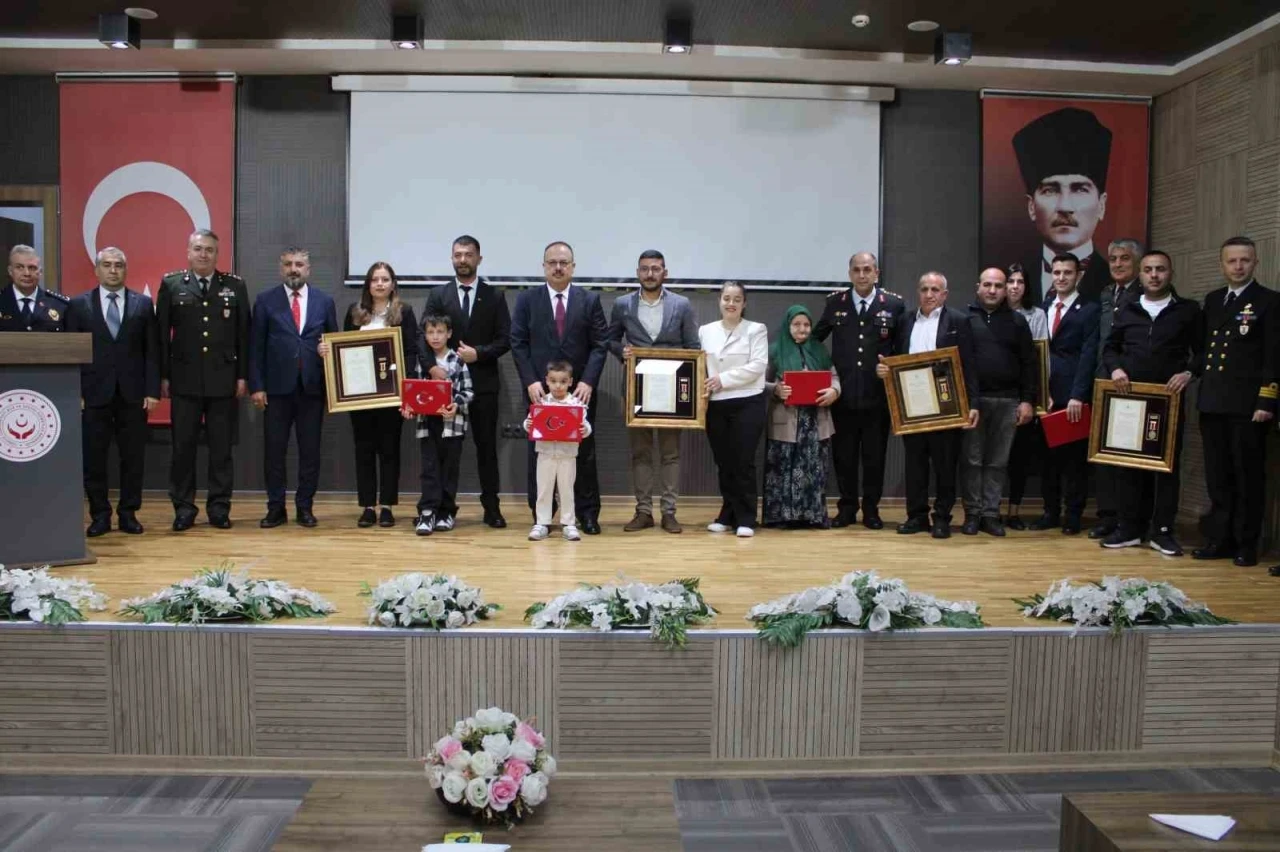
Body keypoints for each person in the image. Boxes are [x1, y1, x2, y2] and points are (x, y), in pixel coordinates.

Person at [1099, 251, 1201, 555]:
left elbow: (1203, 353)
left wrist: (1188, 373)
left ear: (1170, 273)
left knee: (1166, 468)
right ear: (1140, 275)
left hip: (1167, 401)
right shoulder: (1128, 310)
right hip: (1131, 400)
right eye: (1148, 270)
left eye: (1160, 269)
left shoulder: (1188, 311)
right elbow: (1110, 349)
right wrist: (1116, 368)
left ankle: (1163, 531)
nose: (1154, 275)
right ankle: (1129, 528)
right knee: (1129, 466)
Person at [510, 241, 609, 534]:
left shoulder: (589, 301)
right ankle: (542, 516)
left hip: (579, 394)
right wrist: (530, 380)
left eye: (563, 263)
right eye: (552, 262)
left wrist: (588, 381)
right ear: (543, 266)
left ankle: (587, 514)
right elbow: (518, 343)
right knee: (539, 456)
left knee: (584, 452)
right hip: (540, 392)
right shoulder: (527, 301)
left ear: (573, 267)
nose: (557, 267)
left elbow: (600, 345)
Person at [1193, 236, 1279, 568]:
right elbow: (1205, 351)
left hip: (1247, 407)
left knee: (1247, 477)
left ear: (1255, 263)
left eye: (1245, 260)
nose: (1238, 266)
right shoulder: (1214, 300)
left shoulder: (1269, 301)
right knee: (1218, 476)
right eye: (1232, 261)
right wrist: (1190, 372)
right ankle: (1221, 539)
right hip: (1213, 401)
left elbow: (1273, 357)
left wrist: (1266, 400)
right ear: (1222, 264)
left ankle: (1246, 543)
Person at [156, 229, 250, 531]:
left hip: (223, 382)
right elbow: (161, 337)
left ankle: (219, 508)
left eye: (209, 250)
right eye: (198, 249)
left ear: (217, 254)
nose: (203, 254)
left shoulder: (234, 286)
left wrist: (242, 376)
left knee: (221, 450)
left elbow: (243, 337)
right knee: (183, 449)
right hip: (184, 382)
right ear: (188, 252)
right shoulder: (171, 285)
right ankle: (184, 508)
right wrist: (164, 376)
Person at [64, 247, 160, 537]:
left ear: (125, 270)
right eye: (107, 265)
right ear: (97, 270)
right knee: (94, 458)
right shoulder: (78, 305)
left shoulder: (143, 304)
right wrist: (75, 391)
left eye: (119, 265)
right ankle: (100, 515)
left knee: (133, 458)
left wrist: (152, 391)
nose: (113, 270)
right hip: (92, 395)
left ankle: (129, 513)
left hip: (133, 395)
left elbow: (152, 353)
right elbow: (71, 353)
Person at [877, 272, 980, 539]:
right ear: (918, 292)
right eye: (924, 289)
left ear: (944, 294)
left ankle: (942, 518)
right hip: (911, 408)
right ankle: (917, 516)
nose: (929, 294)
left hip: (947, 405)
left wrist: (973, 403)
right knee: (915, 464)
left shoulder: (958, 321)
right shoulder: (905, 320)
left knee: (945, 465)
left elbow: (969, 365)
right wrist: (885, 369)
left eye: (935, 289)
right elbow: (895, 359)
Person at [318, 261, 418, 528]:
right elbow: (342, 351)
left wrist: (404, 389)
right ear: (368, 285)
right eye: (375, 280)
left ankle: (386, 506)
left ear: (393, 284)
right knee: (363, 450)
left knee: (389, 450)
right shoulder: (355, 312)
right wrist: (326, 352)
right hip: (359, 397)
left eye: (385, 279)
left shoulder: (404, 313)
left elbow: (410, 351)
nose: (380, 284)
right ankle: (367, 507)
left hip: (392, 396)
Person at [607, 249, 699, 533]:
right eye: (645, 269)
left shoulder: (682, 305)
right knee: (641, 453)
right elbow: (610, 339)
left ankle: (669, 513)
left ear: (664, 272)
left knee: (670, 454)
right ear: (638, 273)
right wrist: (621, 351)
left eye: (655, 268)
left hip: (673, 393)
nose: (650, 273)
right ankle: (643, 511)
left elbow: (693, 347)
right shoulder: (622, 304)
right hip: (637, 390)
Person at [424, 235, 511, 528]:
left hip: (484, 385)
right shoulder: (439, 294)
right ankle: (444, 509)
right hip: (446, 388)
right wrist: (430, 369)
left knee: (487, 450)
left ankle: (492, 508)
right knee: (446, 451)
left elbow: (505, 340)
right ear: (452, 258)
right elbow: (422, 337)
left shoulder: (494, 295)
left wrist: (479, 354)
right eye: (458, 255)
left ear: (479, 259)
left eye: (468, 254)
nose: (463, 260)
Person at [248, 247, 339, 529]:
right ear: (281, 268)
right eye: (288, 264)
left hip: (312, 390)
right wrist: (257, 386)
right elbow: (255, 348)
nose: (293, 269)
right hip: (275, 391)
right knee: (274, 452)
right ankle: (275, 508)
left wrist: (329, 362)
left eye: (299, 264)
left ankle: (305, 507)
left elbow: (335, 345)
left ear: (308, 269)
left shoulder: (324, 301)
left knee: (310, 452)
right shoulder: (265, 301)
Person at [813, 251, 905, 529]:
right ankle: (847, 508)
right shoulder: (835, 303)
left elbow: (902, 351)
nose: (862, 274)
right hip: (843, 397)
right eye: (857, 270)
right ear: (850, 273)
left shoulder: (893, 304)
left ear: (877, 273)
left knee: (875, 458)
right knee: (844, 457)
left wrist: (891, 368)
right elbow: (815, 341)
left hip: (878, 398)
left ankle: (872, 510)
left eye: (868, 269)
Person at [961, 268, 1036, 537]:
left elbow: (1030, 365)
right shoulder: (964, 320)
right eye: (988, 285)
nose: (993, 290)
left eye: (998, 286)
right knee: (972, 460)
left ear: (1005, 290)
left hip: (1008, 402)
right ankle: (972, 513)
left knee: (997, 462)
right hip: (973, 403)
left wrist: (1027, 401)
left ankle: (991, 514)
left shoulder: (1017, 322)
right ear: (978, 287)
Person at [1012, 107, 1114, 305]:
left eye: (1079, 189)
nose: (1065, 206)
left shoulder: (1115, 282)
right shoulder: (1013, 281)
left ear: (1101, 205)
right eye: (1050, 190)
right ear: (1031, 207)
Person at [1031, 254, 1100, 535]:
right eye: (1056, 272)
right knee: (1049, 461)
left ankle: (1073, 515)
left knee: (1074, 462)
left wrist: (1078, 395)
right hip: (1045, 397)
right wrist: (1039, 392)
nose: (1061, 277)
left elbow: (1088, 355)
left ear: (1078, 275)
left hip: (1072, 398)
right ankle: (1050, 512)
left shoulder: (1090, 310)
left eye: (1067, 273)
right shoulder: (1043, 307)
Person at [700, 281, 768, 538]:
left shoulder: (756, 329)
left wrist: (723, 379)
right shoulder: (705, 331)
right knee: (724, 462)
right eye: (726, 298)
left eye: (736, 299)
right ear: (719, 301)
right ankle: (727, 514)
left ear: (744, 303)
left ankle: (747, 518)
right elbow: (699, 366)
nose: (731, 303)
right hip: (716, 404)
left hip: (748, 401)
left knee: (743, 462)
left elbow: (759, 365)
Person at [762, 305, 840, 528]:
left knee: (814, 469)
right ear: (788, 326)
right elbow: (760, 382)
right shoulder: (775, 351)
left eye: (806, 324)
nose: (802, 329)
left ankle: (812, 516)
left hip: (816, 420)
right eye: (797, 324)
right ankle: (782, 517)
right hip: (786, 419)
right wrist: (776, 389)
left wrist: (834, 391)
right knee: (783, 468)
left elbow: (835, 377)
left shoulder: (819, 349)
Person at [1090, 238, 1146, 540]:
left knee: (1127, 458)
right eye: (1113, 259)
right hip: (1102, 382)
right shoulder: (1107, 294)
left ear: (1136, 262)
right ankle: (1108, 516)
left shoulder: (1146, 294)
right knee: (1104, 456)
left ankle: (1129, 520)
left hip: (1130, 385)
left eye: (1124, 258)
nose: (1118, 264)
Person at [411, 314, 474, 536]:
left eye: (440, 332)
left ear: (449, 334)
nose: (435, 337)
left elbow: (468, 392)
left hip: (452, 425)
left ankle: (446, 512)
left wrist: (456, 404)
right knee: (429, 469)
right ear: (425, 335)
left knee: (449, 470)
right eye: (430, 332)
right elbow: (414, 391)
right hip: (428, 424)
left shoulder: (457, 360)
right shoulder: (422, 361)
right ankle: (427, 512)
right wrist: (409, 406)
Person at [524, 360, 593, 541]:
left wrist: (583, 430)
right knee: (544, 489)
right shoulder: (541, 402)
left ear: (570, 382)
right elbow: (530, 423)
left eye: (563, 381)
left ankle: (569, 523)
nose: (558, 386)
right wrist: (528, 424)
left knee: (567, 489)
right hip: (545, 453)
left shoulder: (576, 404)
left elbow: (585, 427)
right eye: (553, 381)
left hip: (567, 455)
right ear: (546, 380)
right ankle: (541, 522)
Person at [1004, 263, 1048, 529]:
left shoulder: (1036, 315)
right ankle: (989, 510)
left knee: (1019, 457)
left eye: (1020, 282)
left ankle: (1014, 511)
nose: (1014, 286)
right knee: (995, 459)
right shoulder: (990, 314)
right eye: (1010, 281)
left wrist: (1038, 396)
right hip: (998, 393)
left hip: (1025, 393)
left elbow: (1042, 359)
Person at [1, 245, 67, 332]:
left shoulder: (60, 305)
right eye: (20, 267)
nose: (27, 273)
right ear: (10, 271)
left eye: (32, 268)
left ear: (40, 272)